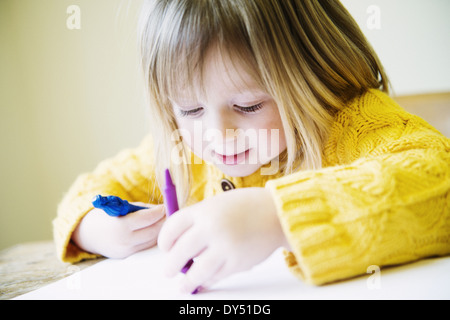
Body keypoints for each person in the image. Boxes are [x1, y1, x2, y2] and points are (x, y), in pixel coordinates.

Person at [53, 0, 450, 294]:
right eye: (190, 109)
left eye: (249, 105)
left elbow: (441, 185)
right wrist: (98, 227)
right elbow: (94, 189)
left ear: (315, 75)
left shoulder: (351, 124)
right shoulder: (183, 151)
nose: (216, 135)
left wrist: (276, 217)